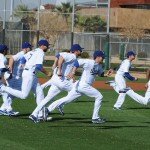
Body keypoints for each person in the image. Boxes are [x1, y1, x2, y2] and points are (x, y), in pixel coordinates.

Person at [39, 50, 113, 124]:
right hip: (84, 85)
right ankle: (95, 118)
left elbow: (100, 74)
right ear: (98, 57)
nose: (103, 58)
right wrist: (73, 72)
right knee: (99, 96)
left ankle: (47, 109)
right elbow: (77, 63)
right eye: (103, 57)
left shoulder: (99, 66)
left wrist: (107, 74)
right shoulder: (89, 62)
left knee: (67, 99)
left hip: (80, 86)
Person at [29, 44, 83, 123]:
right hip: (62, 80)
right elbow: (61, 58)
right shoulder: (72, 56)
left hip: (56, 80)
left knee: (47, 98)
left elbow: (59, 55)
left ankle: (34, 114)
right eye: (80, 50)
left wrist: (55, 64)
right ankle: (60, 105)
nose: (81, 51)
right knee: (79, 90)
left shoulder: (69, 56)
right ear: (77, 51)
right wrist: (60, 70)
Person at [0, 39, 50, 118]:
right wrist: (48, 73)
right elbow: (39, 66)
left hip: (31, 75)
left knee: (40, 93)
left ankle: (40, 114)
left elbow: (23, 59)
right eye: (47, 46)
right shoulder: (40, 52)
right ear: (43, 46)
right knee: (24, 95)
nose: (48, 47)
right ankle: (4, 89)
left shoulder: (33, 51)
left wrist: (24, 66)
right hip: (29, 74)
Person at [0, 42, 32, 116]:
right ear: (26, 48)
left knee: (14, 92)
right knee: (9, 92)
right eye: (30, 47)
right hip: (14, 77)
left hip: (16, 77)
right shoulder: (21, 54)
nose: (31, 49)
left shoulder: (26, 54)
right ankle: (7, 109)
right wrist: (10, 71)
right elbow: (12, 58)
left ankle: (4, 109)